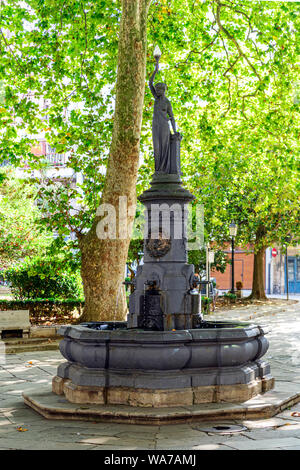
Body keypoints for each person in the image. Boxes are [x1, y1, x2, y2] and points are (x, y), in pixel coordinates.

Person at [149, 62, 177, 173]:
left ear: (163, 90)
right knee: (157, 148)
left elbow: (172, 117)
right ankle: (158, 169)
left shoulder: (167, 102)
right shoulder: (156, 98)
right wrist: (155, 71)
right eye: (156, 90)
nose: (157, 92)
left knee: (165, 148)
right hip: (156, 125)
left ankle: (164, 170)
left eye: (159, 90)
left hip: (165, 126)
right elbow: (150, 83)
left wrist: (175, 131)